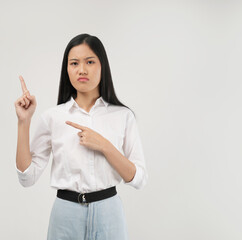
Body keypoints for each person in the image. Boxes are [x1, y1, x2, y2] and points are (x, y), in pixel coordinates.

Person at [14, 33, 148, 240]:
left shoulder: (122, 116)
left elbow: (138, 179)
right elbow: (27, 177)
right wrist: (24, 122)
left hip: (109, 213)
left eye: (90, 62)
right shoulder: (53, 117)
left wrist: (105, 146)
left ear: (102, 66)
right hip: (65, 214)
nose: (82, 70)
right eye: (74, 63)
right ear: (66, 69)